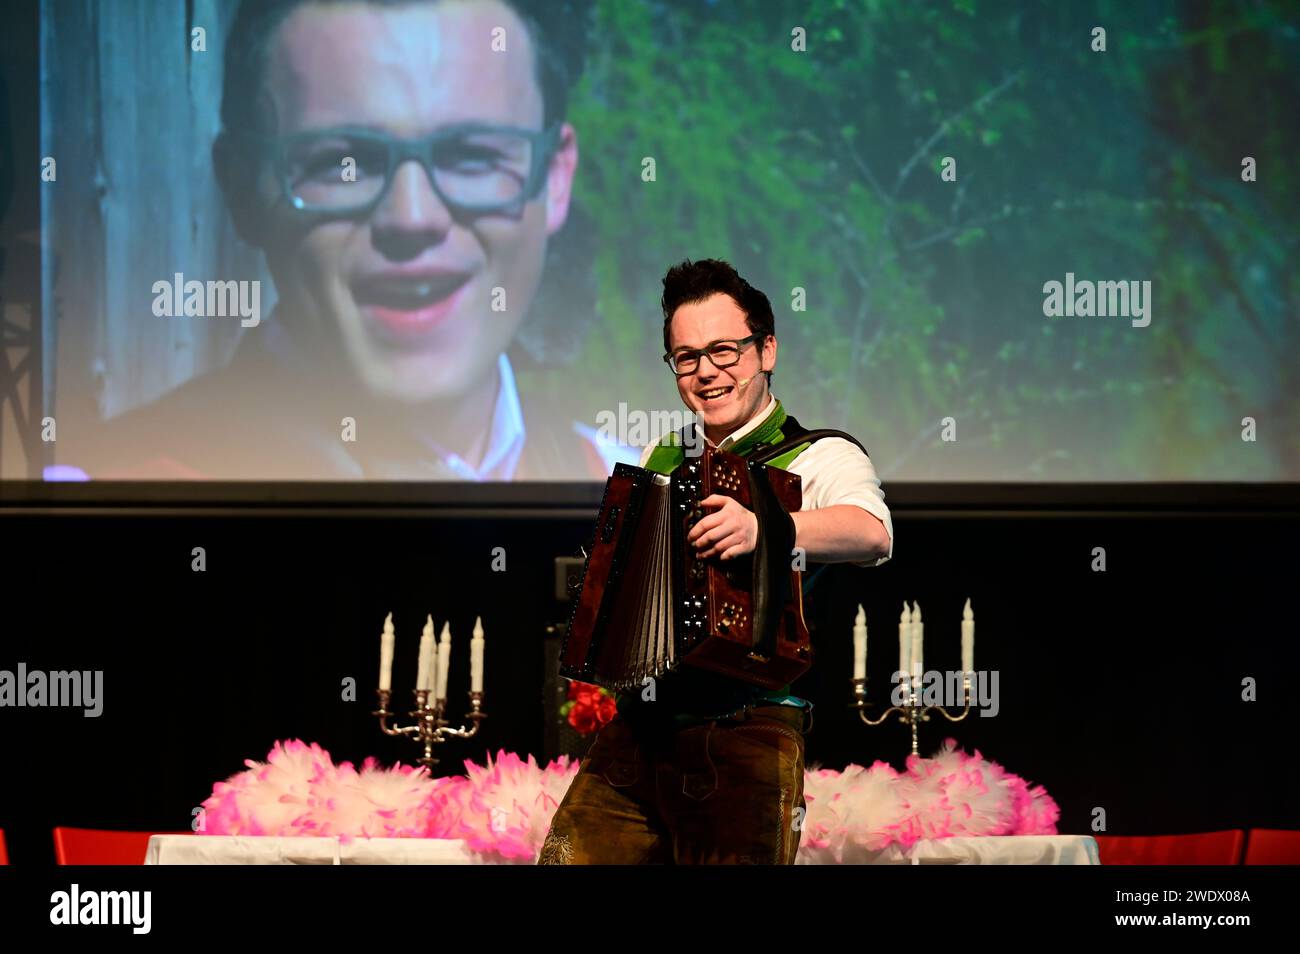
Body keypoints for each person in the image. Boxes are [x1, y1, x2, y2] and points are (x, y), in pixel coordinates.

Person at [62, 0, 625, 481]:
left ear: (555, 178)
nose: (412, 217)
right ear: (241, 190)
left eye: (471, 156)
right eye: (341, 163)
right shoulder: (77, 521)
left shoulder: (658, 522)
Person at [539, 258, 893, 864]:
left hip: (748, 729)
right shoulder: (663, 456)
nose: (707, 372)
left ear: (767, 350)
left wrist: (766, 528)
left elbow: (872, 534)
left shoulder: (820, 455)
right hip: (640, 730)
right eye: (687, 357)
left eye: (724, 350)